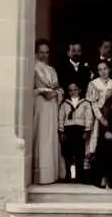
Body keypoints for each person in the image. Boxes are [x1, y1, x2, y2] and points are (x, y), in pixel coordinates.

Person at [32, 38, 65, 185]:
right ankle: (42, 175)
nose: (44, 55)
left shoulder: (51, 69)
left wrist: (57, 92)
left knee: (52, 136)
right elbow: (29, 89)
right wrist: (42, 92)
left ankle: (53, 174)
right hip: (42, 104)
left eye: (46, 52)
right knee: (43, 136)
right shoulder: (32, 68)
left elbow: (58, 88)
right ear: (36, 52)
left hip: (52, 105)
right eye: (41, 52)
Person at [58, 82, 93, 183]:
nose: (73, 92)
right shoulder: (65, 103)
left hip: (79, 129)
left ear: (79, 90)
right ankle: (68, 175)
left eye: (75, 90)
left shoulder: (85, 103)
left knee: (79, 154)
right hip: (68, 129)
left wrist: (87, 130)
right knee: (67, 153)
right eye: (70, 90)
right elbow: (61, 117)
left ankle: (80, 176)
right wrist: (61, 131)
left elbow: (89, 117)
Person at [85, 61, 112, 168]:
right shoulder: (93, 83)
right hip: (97, 115)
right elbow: (91, 103)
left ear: (109, 69)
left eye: (105, 68)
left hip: (109, 115)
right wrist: (100, 117)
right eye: (100, 69)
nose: (103, 72)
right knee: (95, 140)